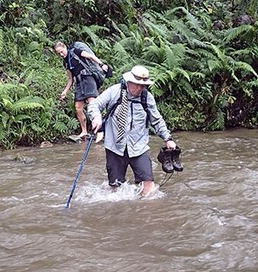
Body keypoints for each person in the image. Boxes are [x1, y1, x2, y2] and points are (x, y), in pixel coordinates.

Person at [88, 65, 177, 196]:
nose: (140, 88)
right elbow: (94, 105)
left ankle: (146, 214)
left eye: (143, 85)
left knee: (149, 185)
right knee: (115, 189)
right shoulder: (114, 92)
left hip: (139, 147)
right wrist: (96, 117)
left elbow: (157, 120)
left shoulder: (147, 98)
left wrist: (168, 139)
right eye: (137, 84)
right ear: (129, 81)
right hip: (115, 147)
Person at [54, 41, 111, 141]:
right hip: (79, 82)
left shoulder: (75, 51)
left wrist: (102, 64)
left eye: (62, 52)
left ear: (65, 47)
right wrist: (65, 91)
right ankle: (84, 131)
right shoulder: (66, 62)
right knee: (78, 107)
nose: (61, 54)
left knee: (92, 103)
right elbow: (71, 79)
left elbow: (90, 56)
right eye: (59, 54)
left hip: (88, 78)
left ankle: (100, 130)